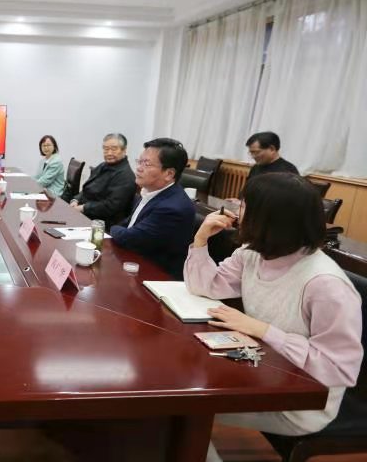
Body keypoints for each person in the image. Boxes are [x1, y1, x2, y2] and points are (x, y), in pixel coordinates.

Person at [185, 173, 362, 462]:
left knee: (184, 410)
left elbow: (339, 368)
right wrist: (200, 239)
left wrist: (264, 330)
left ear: (268, 219)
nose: (236, 209)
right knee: (182, 399)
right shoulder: (253, 253)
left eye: (244, 205)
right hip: (264, 372)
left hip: (301, 402)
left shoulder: (326, 285)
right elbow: (206, 286)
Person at [110, 138, 195, 279]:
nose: (139, 168)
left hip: (157, 278)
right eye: (139, 161)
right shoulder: (150, 191)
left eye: (147, 164)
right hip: (135, 262)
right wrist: (118, 230)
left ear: (169, 174)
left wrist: (112, 228)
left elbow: (130, 239)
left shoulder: (172, 208)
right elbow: (129, 223)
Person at [70, 133, 137, 227]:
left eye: (114, 149)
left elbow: (110, 206)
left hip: (100, 224)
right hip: (83, 214)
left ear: (124, 150)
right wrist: (75, 200)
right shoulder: (103, 165)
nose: (109, 153)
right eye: (106, 149)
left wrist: (83, 208)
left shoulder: (125, 176)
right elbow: (87, 189)